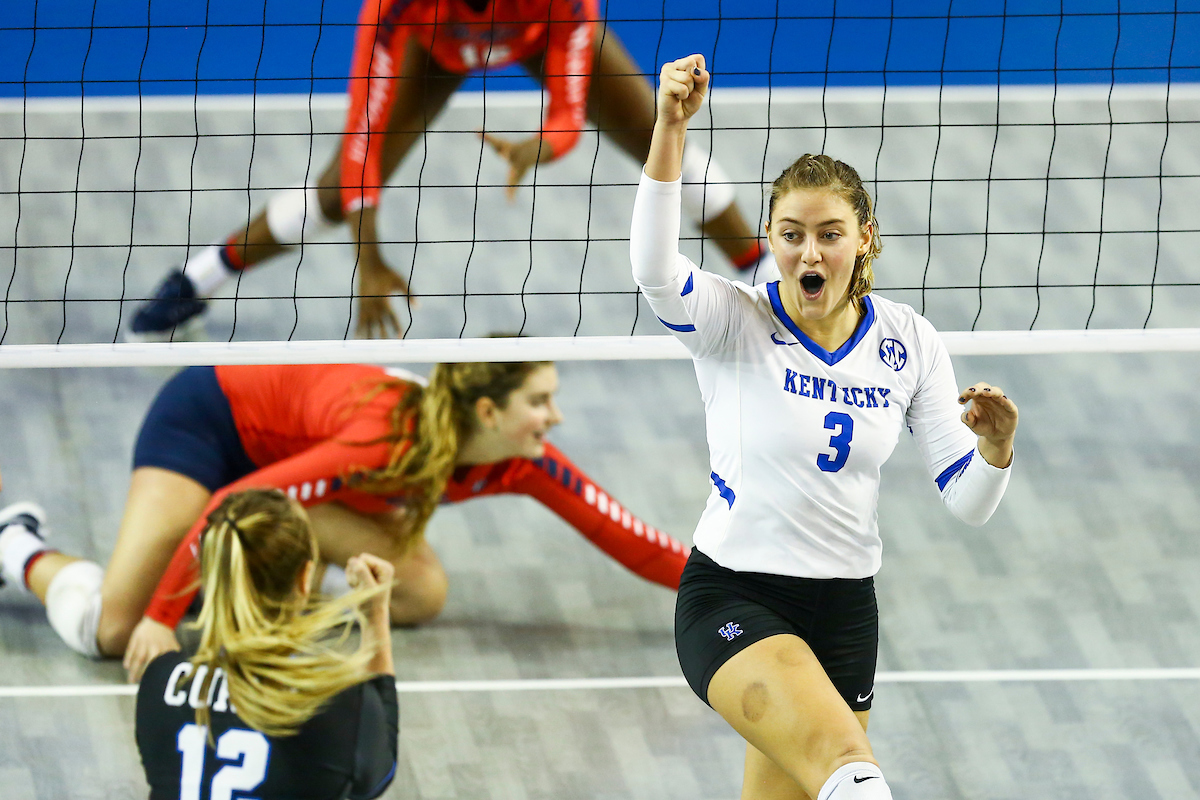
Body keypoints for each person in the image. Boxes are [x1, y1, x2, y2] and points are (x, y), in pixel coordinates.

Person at [630, 55, 1019, 800]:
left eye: (830, 234)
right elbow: (652, 267)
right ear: (770, 239)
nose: (809, 253)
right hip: (735, 597)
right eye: (791, 234)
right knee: (856, 778)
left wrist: (995, 449)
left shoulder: (909, 341)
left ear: (865, 238)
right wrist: (670, 126)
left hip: (845, 610)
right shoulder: (732, 320)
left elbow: (967, 503)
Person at [0, 361, 688, 681]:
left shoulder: (523, 458)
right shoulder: (381, 441)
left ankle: (236, 569)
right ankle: (17, 544)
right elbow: (231, 505)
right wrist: (159, 616)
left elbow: (630, 539)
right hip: (208, 424)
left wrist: (757, 591)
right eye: (540, 402)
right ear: (488, 414)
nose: (556, 418)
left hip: (292, 469)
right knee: (114, 630)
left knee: (420, 594)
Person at [130, 0, 774, 342]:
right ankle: (198, 279)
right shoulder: (395, 9)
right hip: (433, 45)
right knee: (334, 193)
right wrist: (370, 262)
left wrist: (538, 148)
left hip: (537, 31)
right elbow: (363, 147)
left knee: (667, 138)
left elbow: (568, 115)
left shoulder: (564, 2)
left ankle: (766, 272)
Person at [136, 488, 399, 800]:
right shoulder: (339, 704)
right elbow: (380, 772)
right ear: (305, 579)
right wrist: (375, 615)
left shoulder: (161, 681)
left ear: (213, 579)